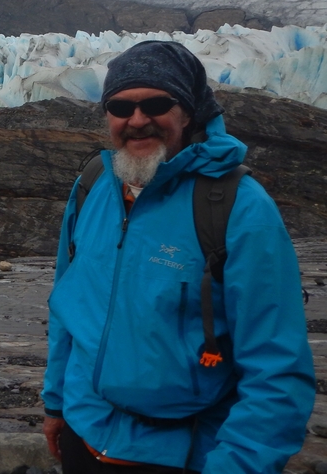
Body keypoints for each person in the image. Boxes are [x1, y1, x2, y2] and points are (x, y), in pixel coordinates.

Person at [41, 40, 315, 473]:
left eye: (156, 103)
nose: (137, 120)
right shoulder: (93, 186)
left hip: (181, 454)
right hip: (85, 432)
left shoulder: (238, 207)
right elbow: (69, 306)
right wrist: (56, 403)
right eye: (120, 107)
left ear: (188, 112)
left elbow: (276, 366)